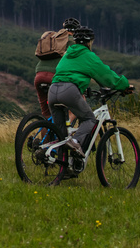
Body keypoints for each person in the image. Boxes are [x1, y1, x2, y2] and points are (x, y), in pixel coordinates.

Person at [48, 26, 132, 159]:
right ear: (90, 42)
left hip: (52, 90)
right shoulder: (89, 56)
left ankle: (62, 166)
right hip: (69, 90)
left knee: (61, 133)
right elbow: (107, 76)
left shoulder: (67, 53)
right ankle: (76, 142)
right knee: (89, 119)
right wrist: (124, 85)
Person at [34, 17, 80, 117]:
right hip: (55, 77)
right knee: (74, 105)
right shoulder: (74, 43)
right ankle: (69, 131)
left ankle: (46, 130)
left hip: (39, 76)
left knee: (46, 114)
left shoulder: (54, 40)